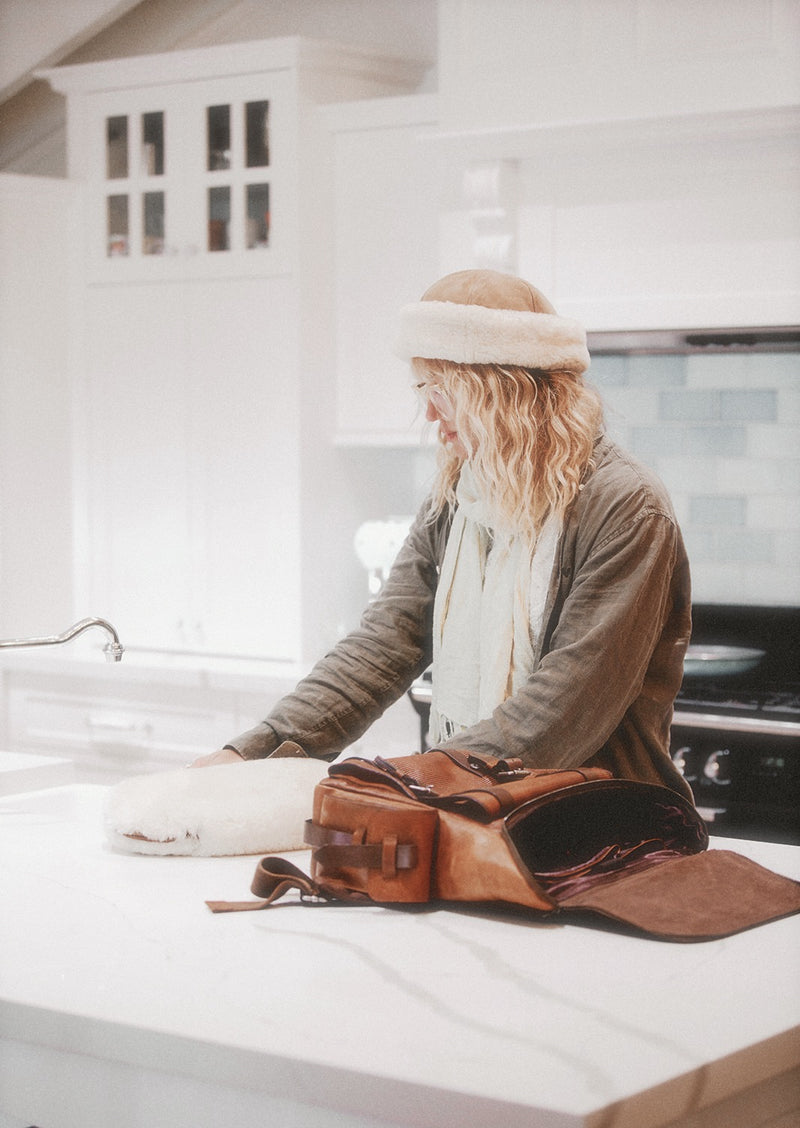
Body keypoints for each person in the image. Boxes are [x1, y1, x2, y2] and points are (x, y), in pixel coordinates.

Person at [191, 268, 693, 801]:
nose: (429, 413)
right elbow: (384, 642)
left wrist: (408, 782)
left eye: (443, 390)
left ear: (504, 392)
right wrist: (254, 753)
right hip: (477, 817)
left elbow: (564, 709)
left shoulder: (626, 507)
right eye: (422, 389)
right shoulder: (461, 496)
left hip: (599, 832)